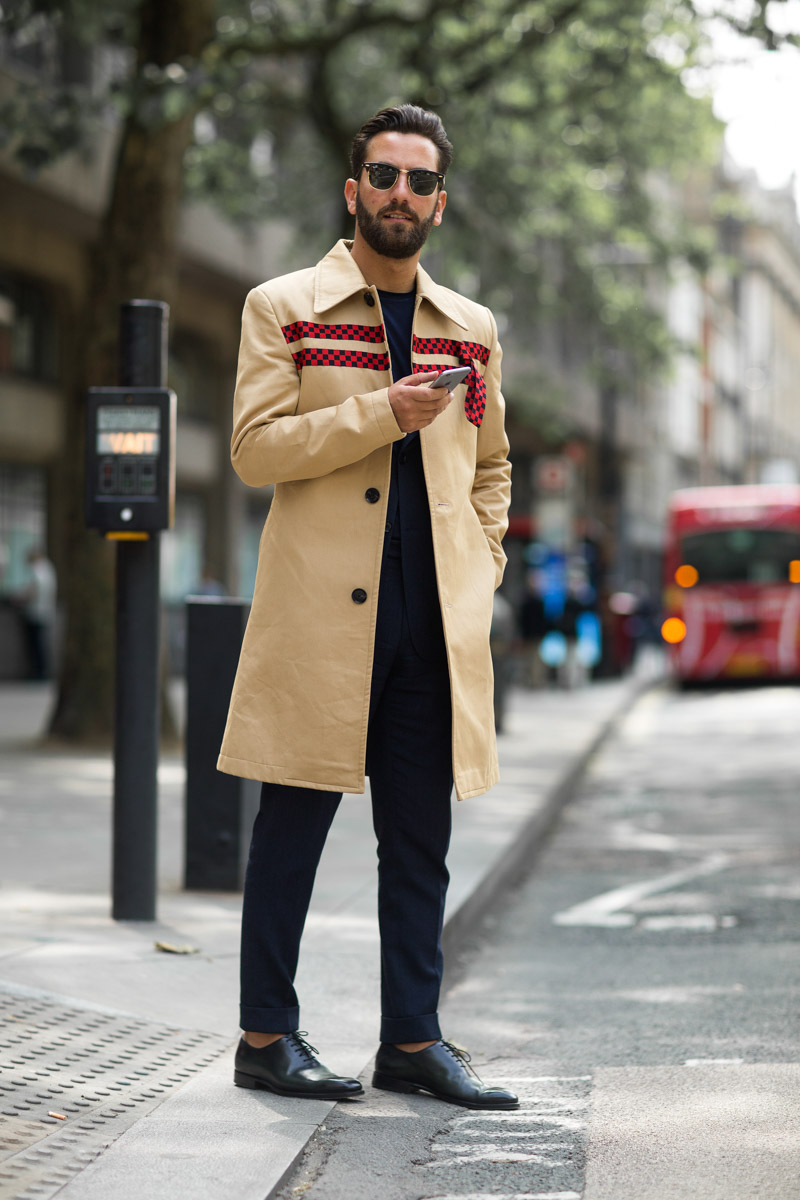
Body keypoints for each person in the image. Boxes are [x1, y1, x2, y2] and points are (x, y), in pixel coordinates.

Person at [218, 105, 516, 1111]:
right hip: (318, 616)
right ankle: (265, 1036)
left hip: (432, 618)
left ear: (439, 200)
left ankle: (412, 1041)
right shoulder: (283, 305)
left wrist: (482, 562)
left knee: (419, 839)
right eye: (382, 176)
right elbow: (255, 448)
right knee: (290, 825)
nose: (400, 194)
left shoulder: (469, 329)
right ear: (353, 191)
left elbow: (493, 465)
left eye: (418, 181)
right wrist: (376, 412)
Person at [18, 548, 57, 680]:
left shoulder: (37, 569)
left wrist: (21, 597)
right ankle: (42, 671)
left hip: (36, 612)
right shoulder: (48, 567)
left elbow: (34, 590)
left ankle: (39, 672)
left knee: (36, 645)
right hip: (45, 611)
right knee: (40, 644)